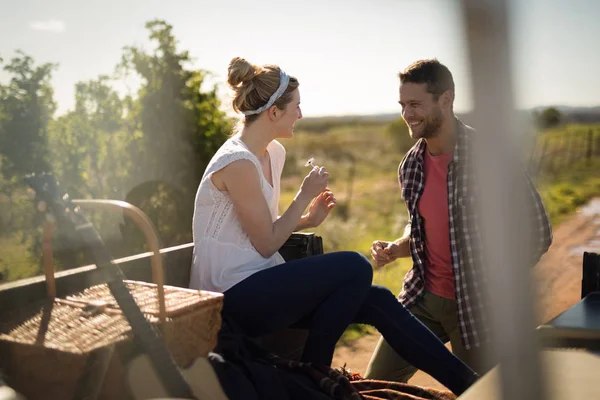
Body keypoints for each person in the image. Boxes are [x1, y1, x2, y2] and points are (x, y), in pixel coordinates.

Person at [189, 56, 478, 395]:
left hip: (258, 283)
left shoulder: (273, 153)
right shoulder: (236, 162)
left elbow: (257, 230)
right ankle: (315, 378)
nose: (300, 114)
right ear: (274, 113)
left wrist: (307, 219)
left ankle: (471, 385)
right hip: (228, 297)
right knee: (354, 265)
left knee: (378, 299)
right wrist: (303, 197)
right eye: (296, 106)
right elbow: (266, 244)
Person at [365, 59, 553, 382]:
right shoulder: (410, 166)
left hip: (478, 310)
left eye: (415, 104)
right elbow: (427, 230)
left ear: (446, 100)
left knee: (481, 391)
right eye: (402, 105)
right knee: (373, 384)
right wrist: (396, 249)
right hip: (422, 299)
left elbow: (537, 231)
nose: (407, 114)